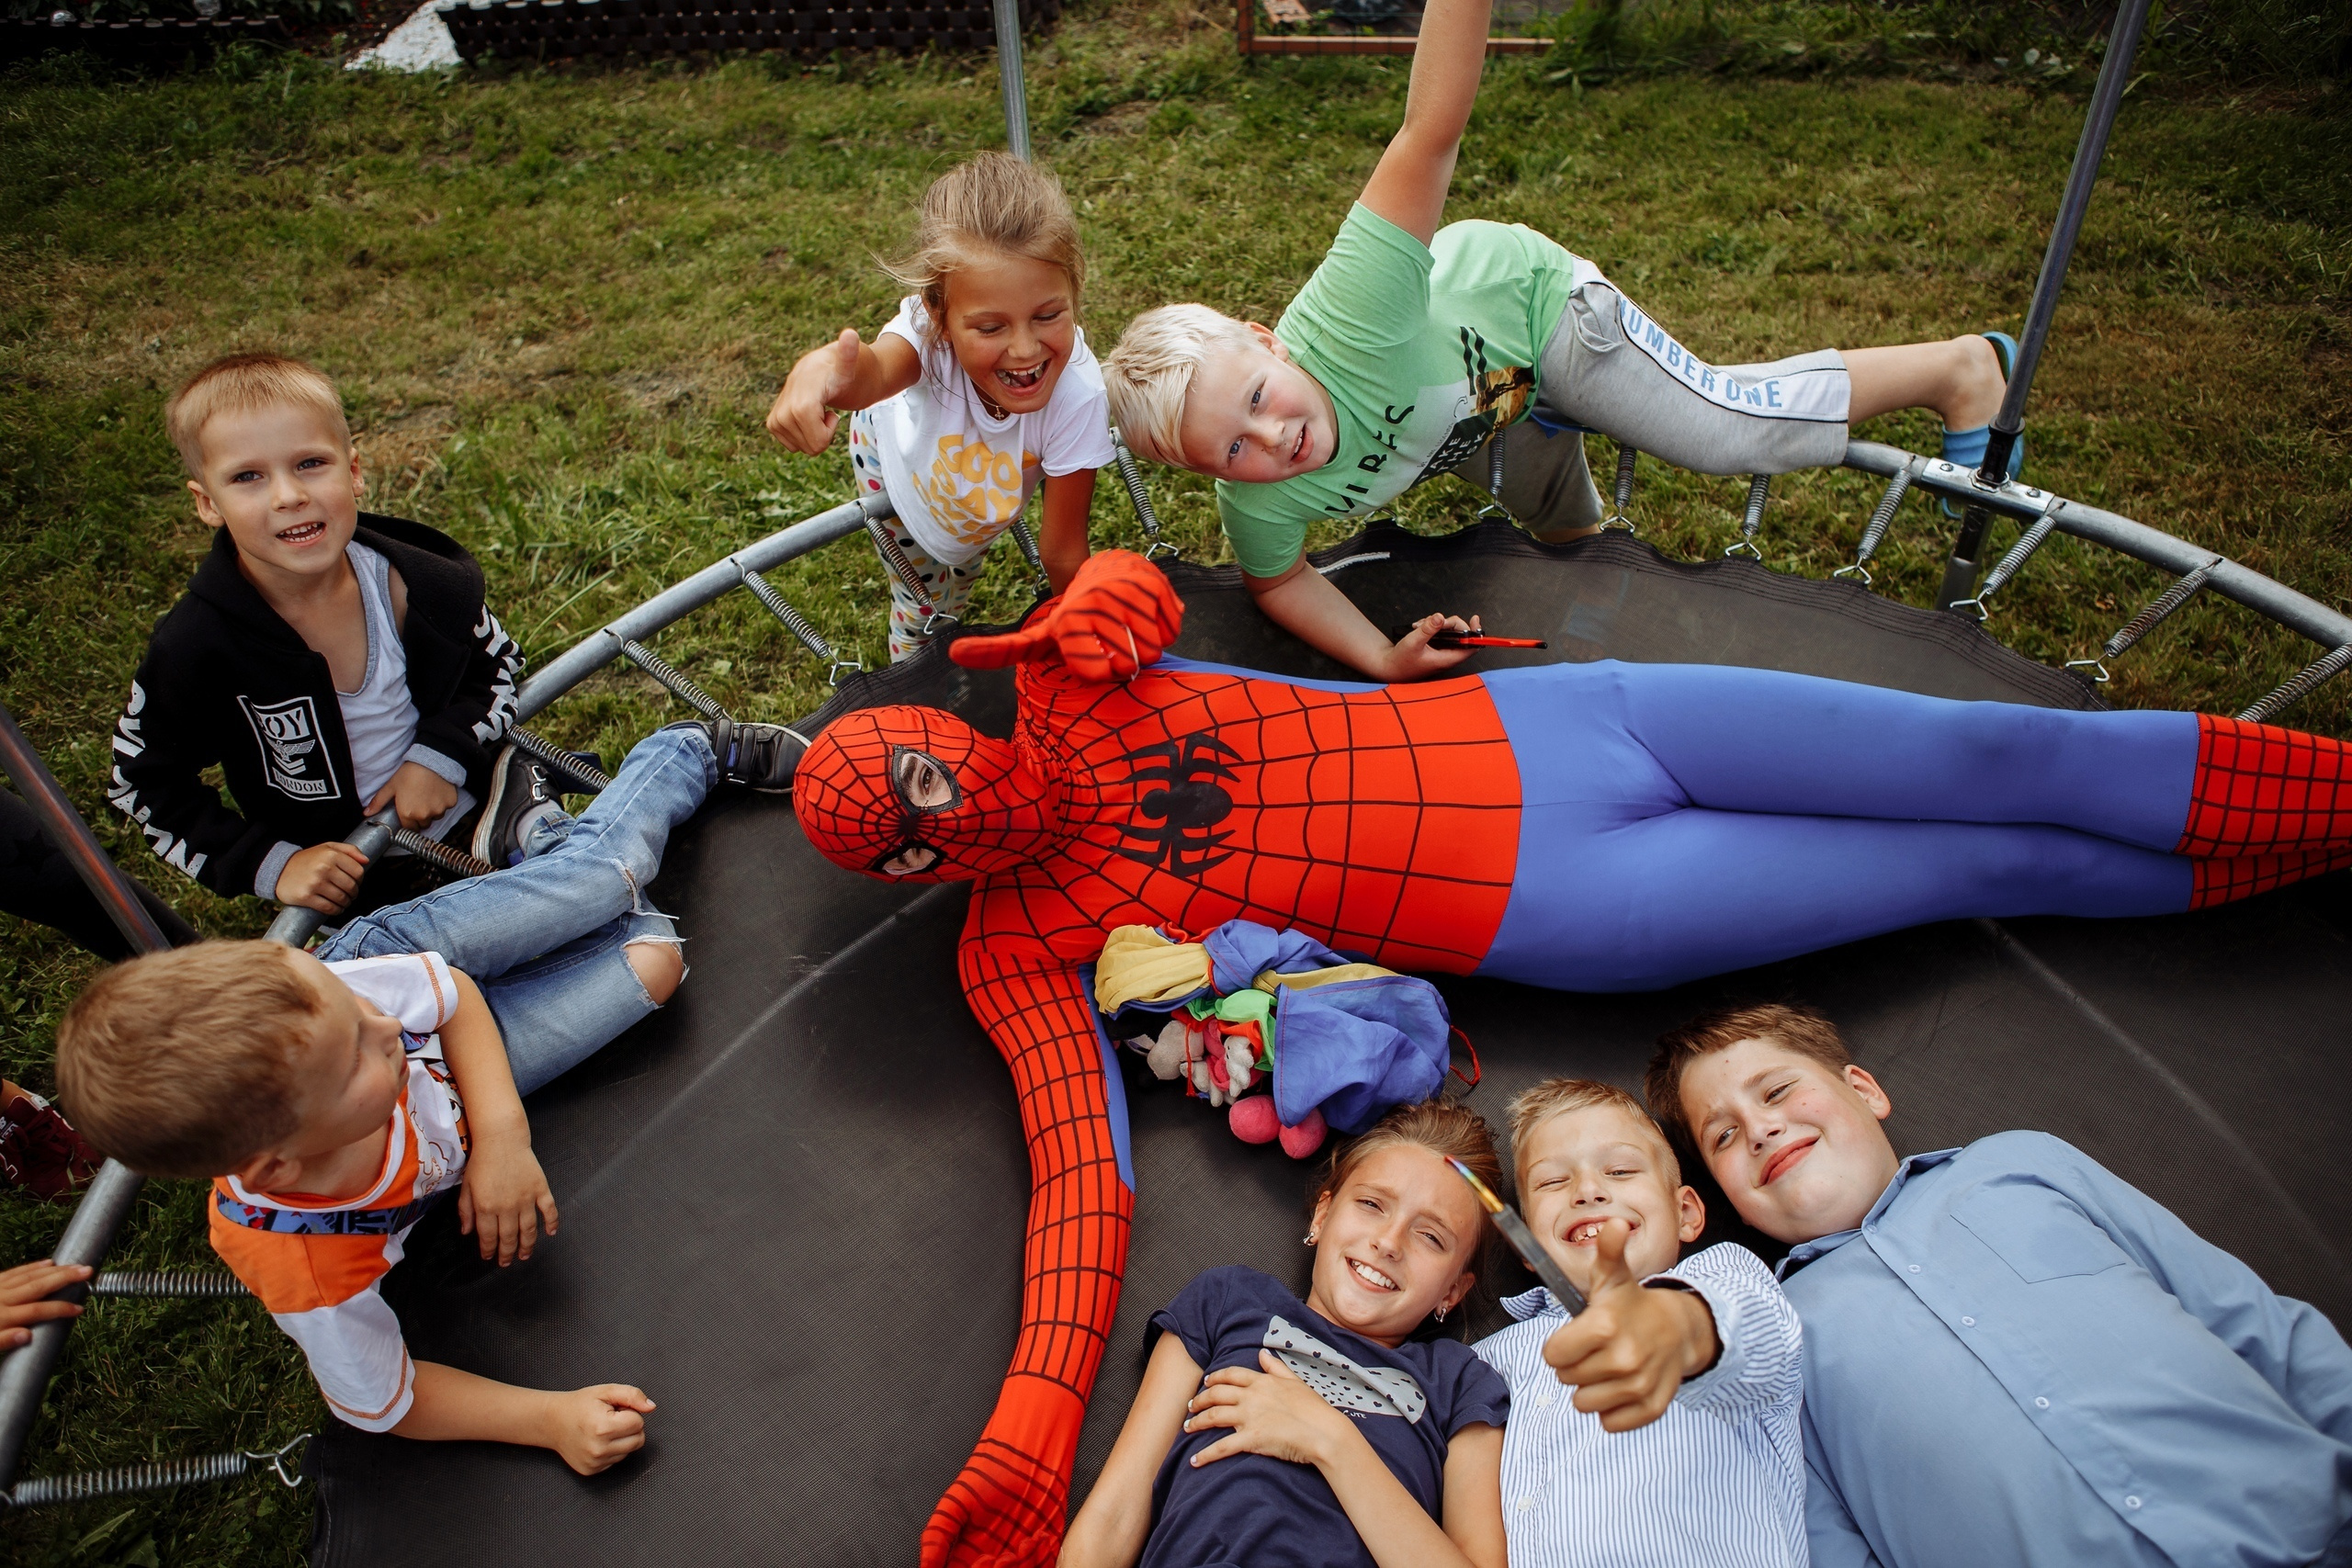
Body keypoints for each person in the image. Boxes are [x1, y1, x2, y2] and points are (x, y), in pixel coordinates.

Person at [787, 547, 2352, 1566]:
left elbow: (1132, 574)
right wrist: (1026, 1434)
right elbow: (1077, 1192)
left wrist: (1115, 586)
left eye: (924, 778)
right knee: (1985, 859)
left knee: (2001, 751)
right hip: (1572, 900)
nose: (944, 823)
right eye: (909, 850)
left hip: (1574, 721)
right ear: (914, 889)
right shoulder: (1018, 946)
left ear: (952, 719)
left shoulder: (1071, 669)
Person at [1101, 0, 2018, 682]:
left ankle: (1959, 367)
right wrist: (1383, 659)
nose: (1272, 440)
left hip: (1536, 316)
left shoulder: (1348, 313)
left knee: (1719, 432)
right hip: (1479, 412)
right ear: (1208, 475)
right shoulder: (1256, 507)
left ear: (1269, 344)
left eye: (1258, 400)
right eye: (1232, 450)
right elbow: (1279, 582)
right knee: (1561, 537)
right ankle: (1606, 607)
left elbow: (1428, 132)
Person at [51, 717, 798, 1470]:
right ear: (278, 1164)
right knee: (654, 960)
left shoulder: (342, 1001)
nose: (384, 1029)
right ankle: (530, 837)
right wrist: (549, 1419)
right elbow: (392, 1401)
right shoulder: (308, 1264)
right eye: (356, 1060)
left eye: (358, 1016)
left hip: (425, 977)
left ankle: (689, 748)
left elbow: (447, 995)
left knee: (604, 880)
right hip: (455, 1084)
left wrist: (503, 1139)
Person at [1647, 1001, 2352, 1568]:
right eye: (1725, 1137)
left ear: (1864, 1090)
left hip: (2312, 1521)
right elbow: (1824, 1539)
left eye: (1776, 1091)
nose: (1763, 1127)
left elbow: (2254, 1322)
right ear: (1724, 1199)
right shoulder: (1766, 1330)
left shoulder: (2021, 1164)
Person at [107, 352, 524, 919]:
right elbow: (142, 783)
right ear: (208, 503)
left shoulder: (422, 584)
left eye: (309, 463)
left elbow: (496, 668)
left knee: (585, 878)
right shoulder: (198, 646)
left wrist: (441, 755)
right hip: (367, 884)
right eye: (247, 477)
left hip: (495, 805)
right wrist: (272, 864)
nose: (287, 495)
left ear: (353, 472)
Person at [1060, 1100, 1510, 1568]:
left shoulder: (1459, 1384)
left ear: (1453, 1291)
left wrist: (1330, 1440)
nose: (1389, 1243)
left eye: (1431, 1236)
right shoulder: (1229, 1301)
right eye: (1373, 1205)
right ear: (1323, 1215)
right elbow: (1113, 1517)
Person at [765, 152, 1114, 661]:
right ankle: (912, 673)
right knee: (923, 602)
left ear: (1074, 293)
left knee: (960, 568)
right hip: (896, 465)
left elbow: (1062, 550)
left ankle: (949, 588)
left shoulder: (1079, 395)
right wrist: (816, 371)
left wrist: (1087, 635)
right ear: (937, 315)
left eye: (1047, 315)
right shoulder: (927, 340)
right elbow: (872, 375)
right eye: (991, 328)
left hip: (971, 487)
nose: (1024, 349)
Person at [1472, 1079, 1804, 1568]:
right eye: (1553, 1182)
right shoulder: (1487, 1360)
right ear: (1523, 1244)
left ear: (1686, 1212)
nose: (1587, 1191)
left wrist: (1672, 1325)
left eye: (1621, 1170)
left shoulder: (1722, 1274)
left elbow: (1753, 1330)